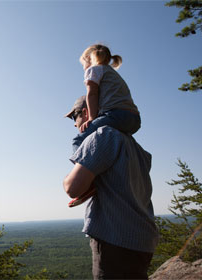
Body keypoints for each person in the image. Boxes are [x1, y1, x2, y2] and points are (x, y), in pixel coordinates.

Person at [63, 96, 159, 279]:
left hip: (116, 240)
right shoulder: (138, 149)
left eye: (74, 118)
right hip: (143, 239)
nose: (75, 125)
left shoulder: (103, 135)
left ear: (85, 112)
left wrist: (66, 179)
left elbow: (73, 189)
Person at [68, 44, 141, 154]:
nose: (83, 67)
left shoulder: (93, 70)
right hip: (134, 119)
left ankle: (82, 170)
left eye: (83, 64)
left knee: (78, 140)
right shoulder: (112, 73)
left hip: (115, 115)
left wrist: (91, 118)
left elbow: (92, 94)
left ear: (89, 59)